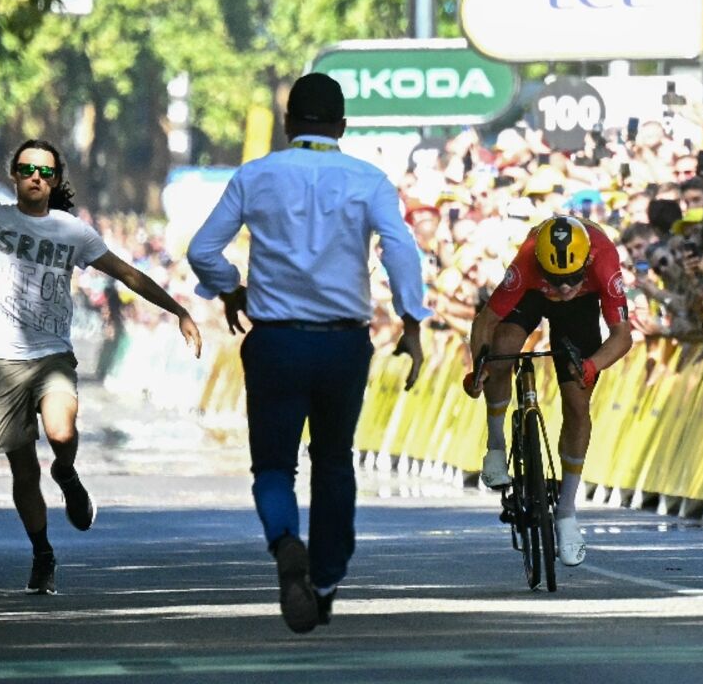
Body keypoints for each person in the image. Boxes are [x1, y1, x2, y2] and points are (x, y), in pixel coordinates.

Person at [0, 116, 203, 595]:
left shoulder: (71, 232)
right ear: (14, 175)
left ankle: (68, 471)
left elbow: (127, 274)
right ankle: (42, 554)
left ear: (56, 182)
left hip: (52, 354)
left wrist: (178, 309)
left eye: (47, 172)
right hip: (0, 364)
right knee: (22, 471)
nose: (37, 177)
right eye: (28, 169)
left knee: (60, 430)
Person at [186, 72, 429, 634]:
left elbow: (203, 250)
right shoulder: (367, 179)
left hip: (275, 341)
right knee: (334, 459)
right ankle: (323, 581)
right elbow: (400, 250)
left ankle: (284, 543)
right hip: (343, 343)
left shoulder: (256, 175)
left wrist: (231, 288)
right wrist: (412, 323)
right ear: (342, 127)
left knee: (273, 465)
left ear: (290, 122)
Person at [462, 215, 633, 567]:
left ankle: (567, 513)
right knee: (505, 343)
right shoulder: (528, 258)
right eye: (557, 279)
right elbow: (486, 321)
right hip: (531, 296)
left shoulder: (604, 260)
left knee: (576, 406)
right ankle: (496, 446)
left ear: (586, 263)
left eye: (572, 279)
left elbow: (622, 336)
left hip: (580, 314)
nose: (565, 287)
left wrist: (591, 366)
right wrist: (479, 367)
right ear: (542, 265)